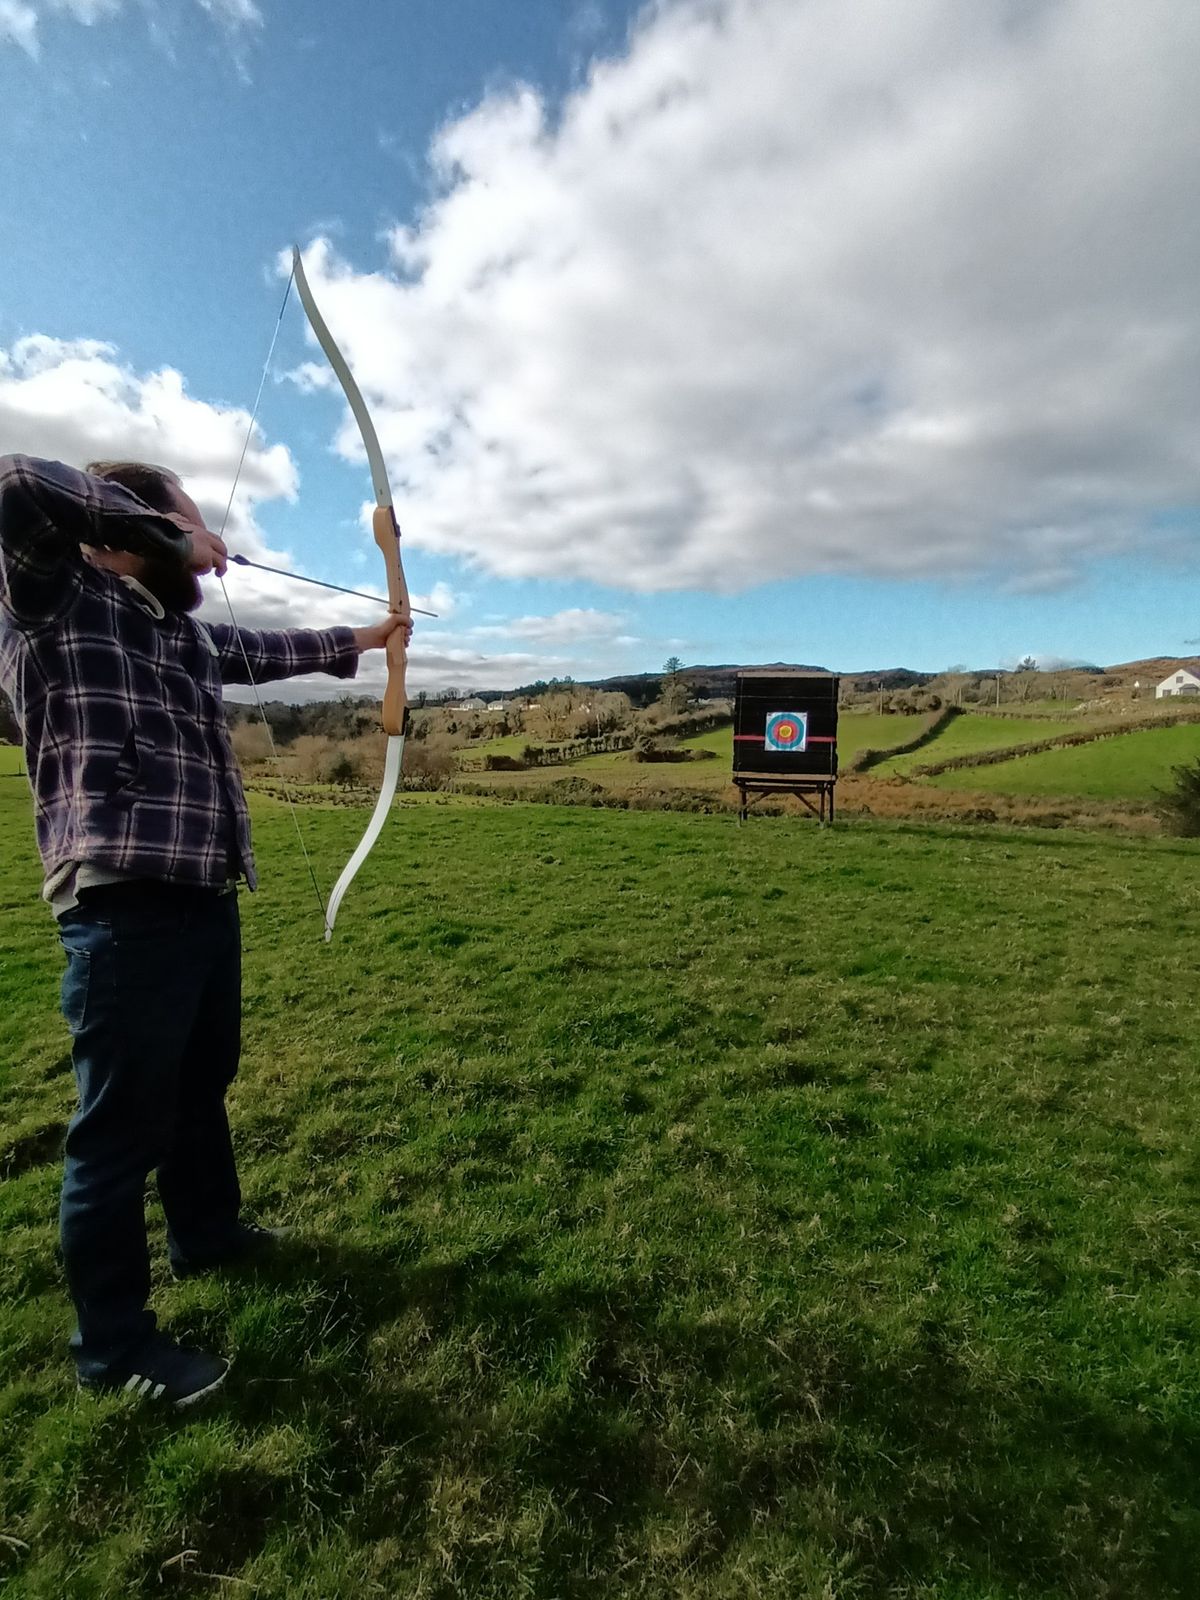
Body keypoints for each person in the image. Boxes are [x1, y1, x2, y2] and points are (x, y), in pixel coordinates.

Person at [0, 454, 409, 1408]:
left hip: (201, 891)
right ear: (133, 532)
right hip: (119, 899)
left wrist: (374, 632)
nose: (206, 544)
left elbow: (263, 655)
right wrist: (166, 534)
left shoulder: (172, 632)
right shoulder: (53, 602)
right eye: (184, 521)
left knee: (199, 1084)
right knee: (117, 1133)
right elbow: (18, 483)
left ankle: (208, 1234)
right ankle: (113, 1349)